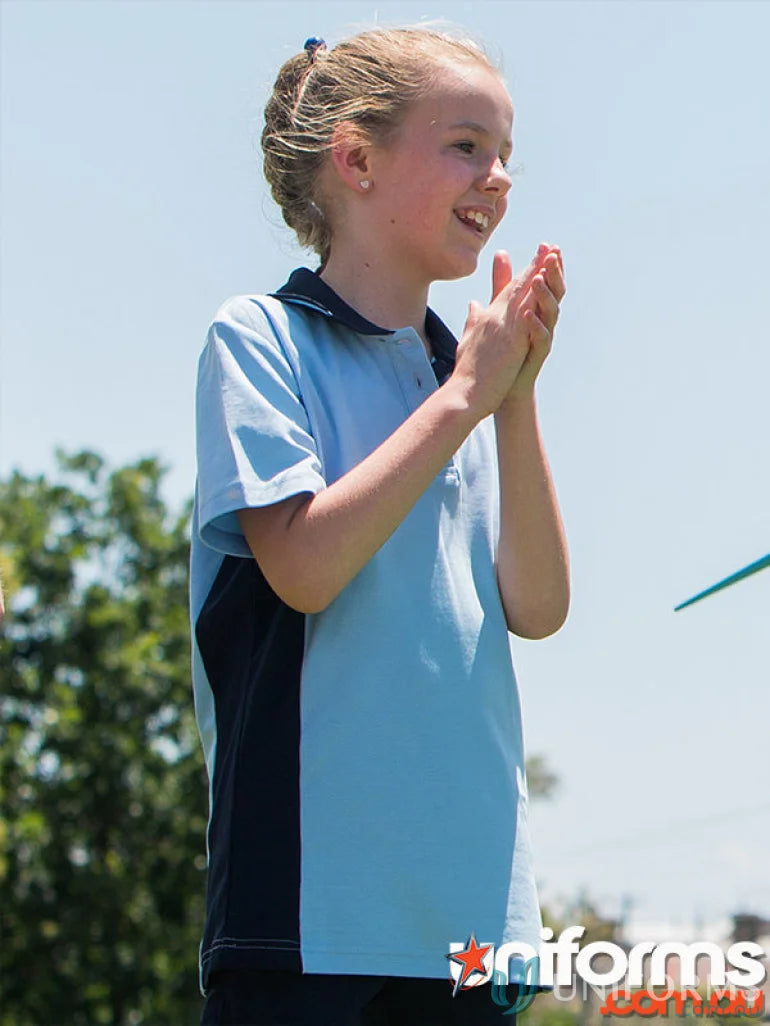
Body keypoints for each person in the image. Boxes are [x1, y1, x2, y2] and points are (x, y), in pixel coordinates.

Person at [191, 26, 569, 1026]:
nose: (494, 178)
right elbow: (305, 567)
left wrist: (512, 397)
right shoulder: (259, 340)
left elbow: (536, 605)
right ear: (353, 158)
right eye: (463, 145)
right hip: (312, 924)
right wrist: (462, 402)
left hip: (473, 931)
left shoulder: (466, 381)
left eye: (503, 153)